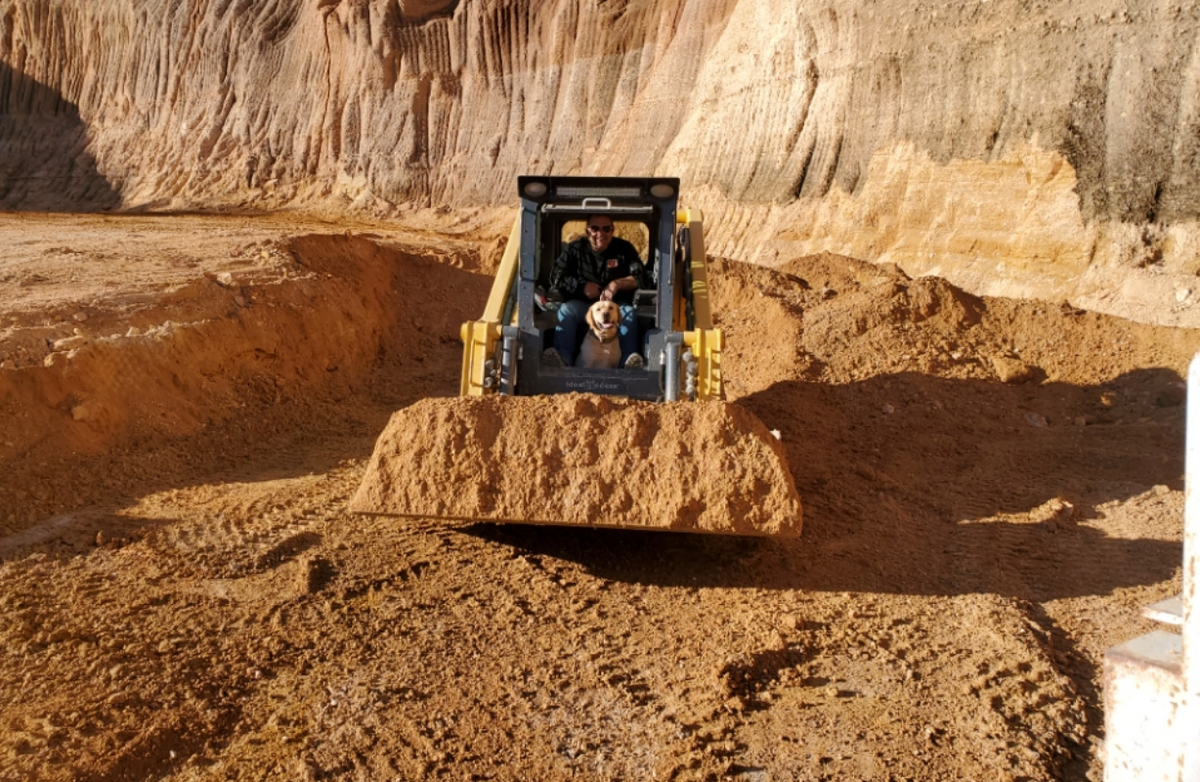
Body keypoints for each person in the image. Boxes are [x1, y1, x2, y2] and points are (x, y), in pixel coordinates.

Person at [543, 214, 647, 368]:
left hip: (615, 305)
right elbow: (556, 277)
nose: (601, 233)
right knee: (566, 311)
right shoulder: (574, 249)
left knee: (629, 313)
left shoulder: (624, 249)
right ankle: (563, 360)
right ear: (587, 231)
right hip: (583, 304)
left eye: (606, 229)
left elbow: (641, 278)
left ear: (612, 230)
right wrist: (582, 286)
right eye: (595, 228)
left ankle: (628, 363)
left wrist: (616, 284)